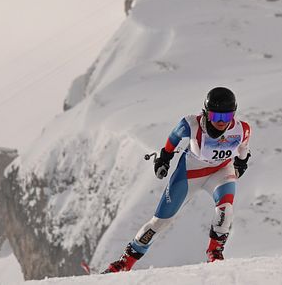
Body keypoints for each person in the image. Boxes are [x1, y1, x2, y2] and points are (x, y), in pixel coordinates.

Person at [102, 87, 251, 273]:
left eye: (226, 117)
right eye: (216, 117)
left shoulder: (241, 129)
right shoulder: (191, 124)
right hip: (190, 174)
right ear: (206, 113)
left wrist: (241, 163)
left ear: (234, 115)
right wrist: (164, 158)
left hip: (220, 171)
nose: (221, 123)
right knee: (160, 222)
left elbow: (244, 148)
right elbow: (173, 138)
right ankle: (125, 261)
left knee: (225, 208)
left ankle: (215, 253)